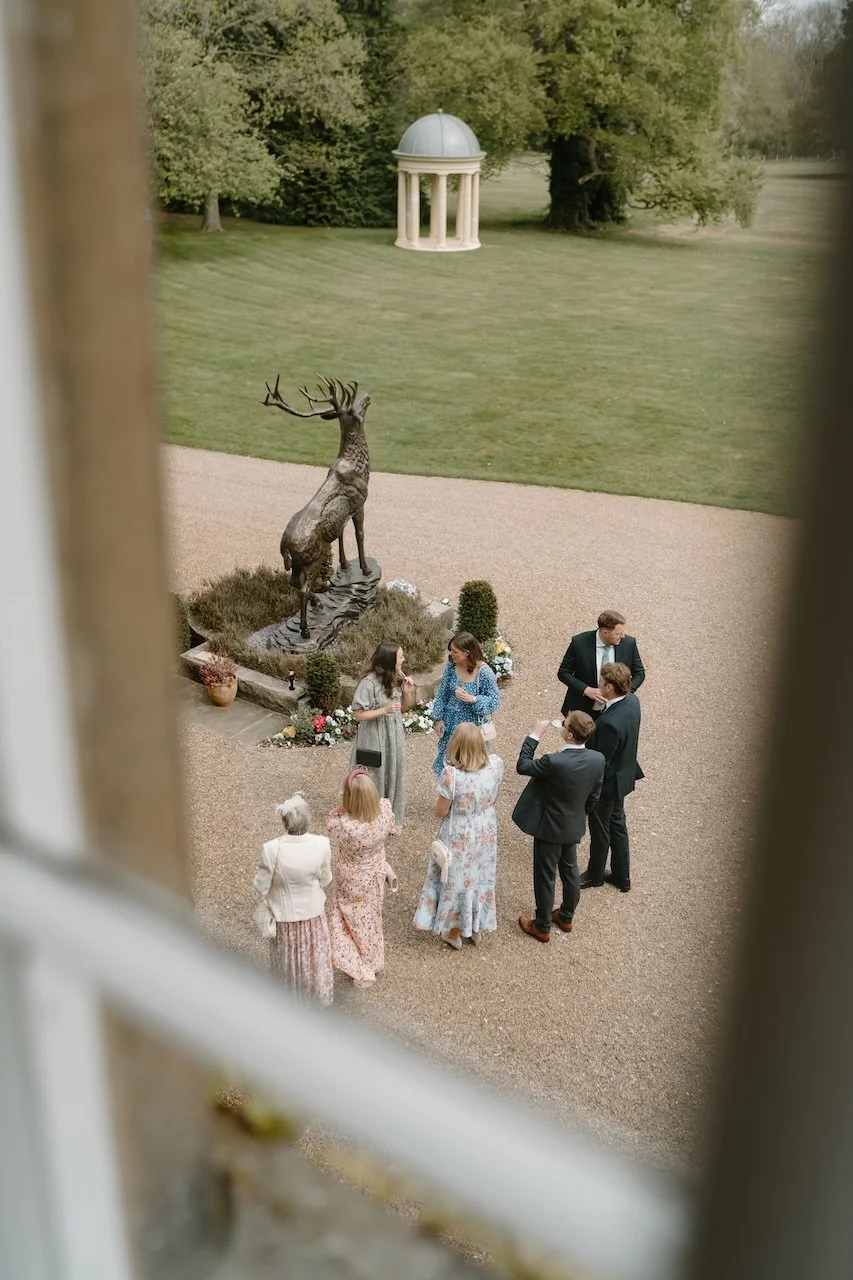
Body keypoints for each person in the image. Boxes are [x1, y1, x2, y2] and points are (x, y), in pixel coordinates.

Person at [513, 712, 605, 943]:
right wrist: (578, 815)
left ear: (570, 734)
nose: (561, 726)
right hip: (573, 824)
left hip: (549, 828)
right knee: (570, 871)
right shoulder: (598, 759)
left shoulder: (554, 761)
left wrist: (534, 736)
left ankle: (542, 925)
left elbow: (523, 766)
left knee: (546, 876)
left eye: (564, 725)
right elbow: (594, 797)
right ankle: (565, 916)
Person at [414, 723, 503, 948]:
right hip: (485, 827)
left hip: (461, 831)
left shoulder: (452, 776)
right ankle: (475, 926)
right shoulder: (495, 765)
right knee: (479, 875)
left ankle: (454, 931)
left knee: (455, 878)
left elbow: (440, 811)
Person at [253, 792, 333, 1005]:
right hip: (313, 915)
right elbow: (326, 879)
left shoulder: (271, 849)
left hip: (284, 919)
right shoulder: (322, 844)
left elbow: (260, 885)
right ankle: (316, 997)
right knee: (312, 959)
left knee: (288, 961)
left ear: (284, 823)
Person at [327, 769, 397, 988]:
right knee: (370, 917)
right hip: (375, 872)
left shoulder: (346, 827)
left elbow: (329, 821)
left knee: (348, 919)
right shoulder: (384, 811)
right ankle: (372, 959)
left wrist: (341, 809)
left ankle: (358, 964)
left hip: (353, 877)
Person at [580, 662, 644, 893]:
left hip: (608, 783)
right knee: (617, 824)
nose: (598, 685)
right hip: (625, 774)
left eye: (600, 682)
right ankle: (621, 876)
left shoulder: (609, 723)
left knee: (600, 829)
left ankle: (595, 874)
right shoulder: (633, 701)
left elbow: (600, 760)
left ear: (608, 687)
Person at [351, 643, 415, 828]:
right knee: (375, 774)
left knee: (394, 770)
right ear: (390, 660)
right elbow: (359, 714)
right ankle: (371, 818)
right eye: (400, 657)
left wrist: (406, 693)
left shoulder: (395, 678)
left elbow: (404, 707)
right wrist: (383, 710)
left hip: (393, 735)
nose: (403, 659)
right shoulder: (368, 684)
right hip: (373, 736)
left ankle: (390, 818)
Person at [431, 632, 501, 776]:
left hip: (471, 729)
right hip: (451, 725)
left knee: (469, 766)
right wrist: (438, 718)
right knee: (448, 766)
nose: (451, 655)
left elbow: (495, 701)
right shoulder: (451, 666)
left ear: (466, 653)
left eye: (455, 652)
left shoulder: (485, 672)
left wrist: (472, 699)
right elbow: (442, 692)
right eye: (451, 650)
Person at [557, 610, 645, 721]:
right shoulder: (579, 643)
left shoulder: (629, 643)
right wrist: (586, 690)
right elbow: (563, 672)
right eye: (618, 634)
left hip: (614, 712)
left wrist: (623, 693)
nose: (623, 636)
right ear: (604, 632)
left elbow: (639, 673)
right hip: (582, 710)